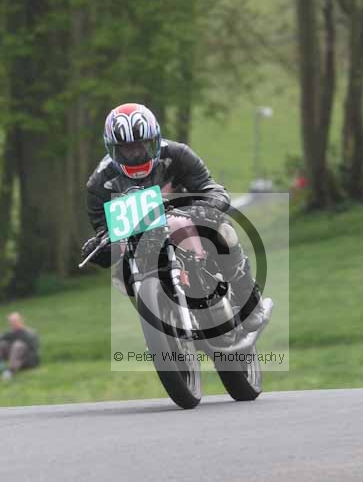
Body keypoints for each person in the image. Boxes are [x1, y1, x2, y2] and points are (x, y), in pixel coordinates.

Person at [81, 103, 268, 332]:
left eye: (141, 145)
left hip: (187, 220)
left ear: (155, 139)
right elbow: (104, 230)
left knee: (224, 232)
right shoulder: (100, 183)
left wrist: (208, 205)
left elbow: (210, 187)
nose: (136, 154)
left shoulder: (178, 154)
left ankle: (249, 299)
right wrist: (99, 246)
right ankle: (160, 327)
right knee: (120, 272)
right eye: (127, 149)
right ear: (112, 149)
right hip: (139, 243)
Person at [0, 313, 40, 380]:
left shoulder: (29, 333)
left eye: (15, 321)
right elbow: (2, 337)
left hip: (29, 360)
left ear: (21, 320)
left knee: (18, 345)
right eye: (11, 321)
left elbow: (33, 350)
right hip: (18, 357)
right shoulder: (11, 332)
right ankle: (1, 365)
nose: (12, 323)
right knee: (2, 344)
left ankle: (10, 371)